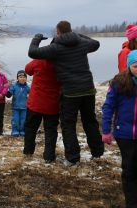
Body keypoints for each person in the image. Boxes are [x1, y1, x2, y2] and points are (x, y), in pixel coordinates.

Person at [28, 20, 104, 165]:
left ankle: (73, 158)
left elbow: (33, 52)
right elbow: (96, 43)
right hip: (88, 89)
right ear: (71, 30)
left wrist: (36, 38)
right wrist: (77, 35)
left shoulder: (56, 47)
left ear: (58, 32)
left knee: (68, 125)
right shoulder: (81, 42)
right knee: (90, 121)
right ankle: (97, 152)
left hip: (70, 92)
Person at [101, 50, 137, 208]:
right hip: (125, 133)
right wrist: (106, 130)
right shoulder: (118, 83)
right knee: (129, 168)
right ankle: (131, 202)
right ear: (129, 66)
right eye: (136, 66)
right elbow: (108, 107)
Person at [23, 59, 61, 163]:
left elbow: (27, 70)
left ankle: (28, 152)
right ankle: (49, 156)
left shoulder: (38, 60)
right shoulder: (61, 62)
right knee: (51, 131)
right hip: (52, 104)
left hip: (35, 103)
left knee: (30, 128)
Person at [6, 70, 30, 136]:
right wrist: (7, 91)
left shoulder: (27, 87)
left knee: (23, 120)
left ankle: (22, 131)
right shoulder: (14, 86)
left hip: (24, 107)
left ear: (26, 78)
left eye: (24, 77)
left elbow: (32, 93)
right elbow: (9, 93)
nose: (22, 78)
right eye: (20, 77)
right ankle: (15, 131)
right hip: (15, 107)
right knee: (15, 120)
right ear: (17, 78)